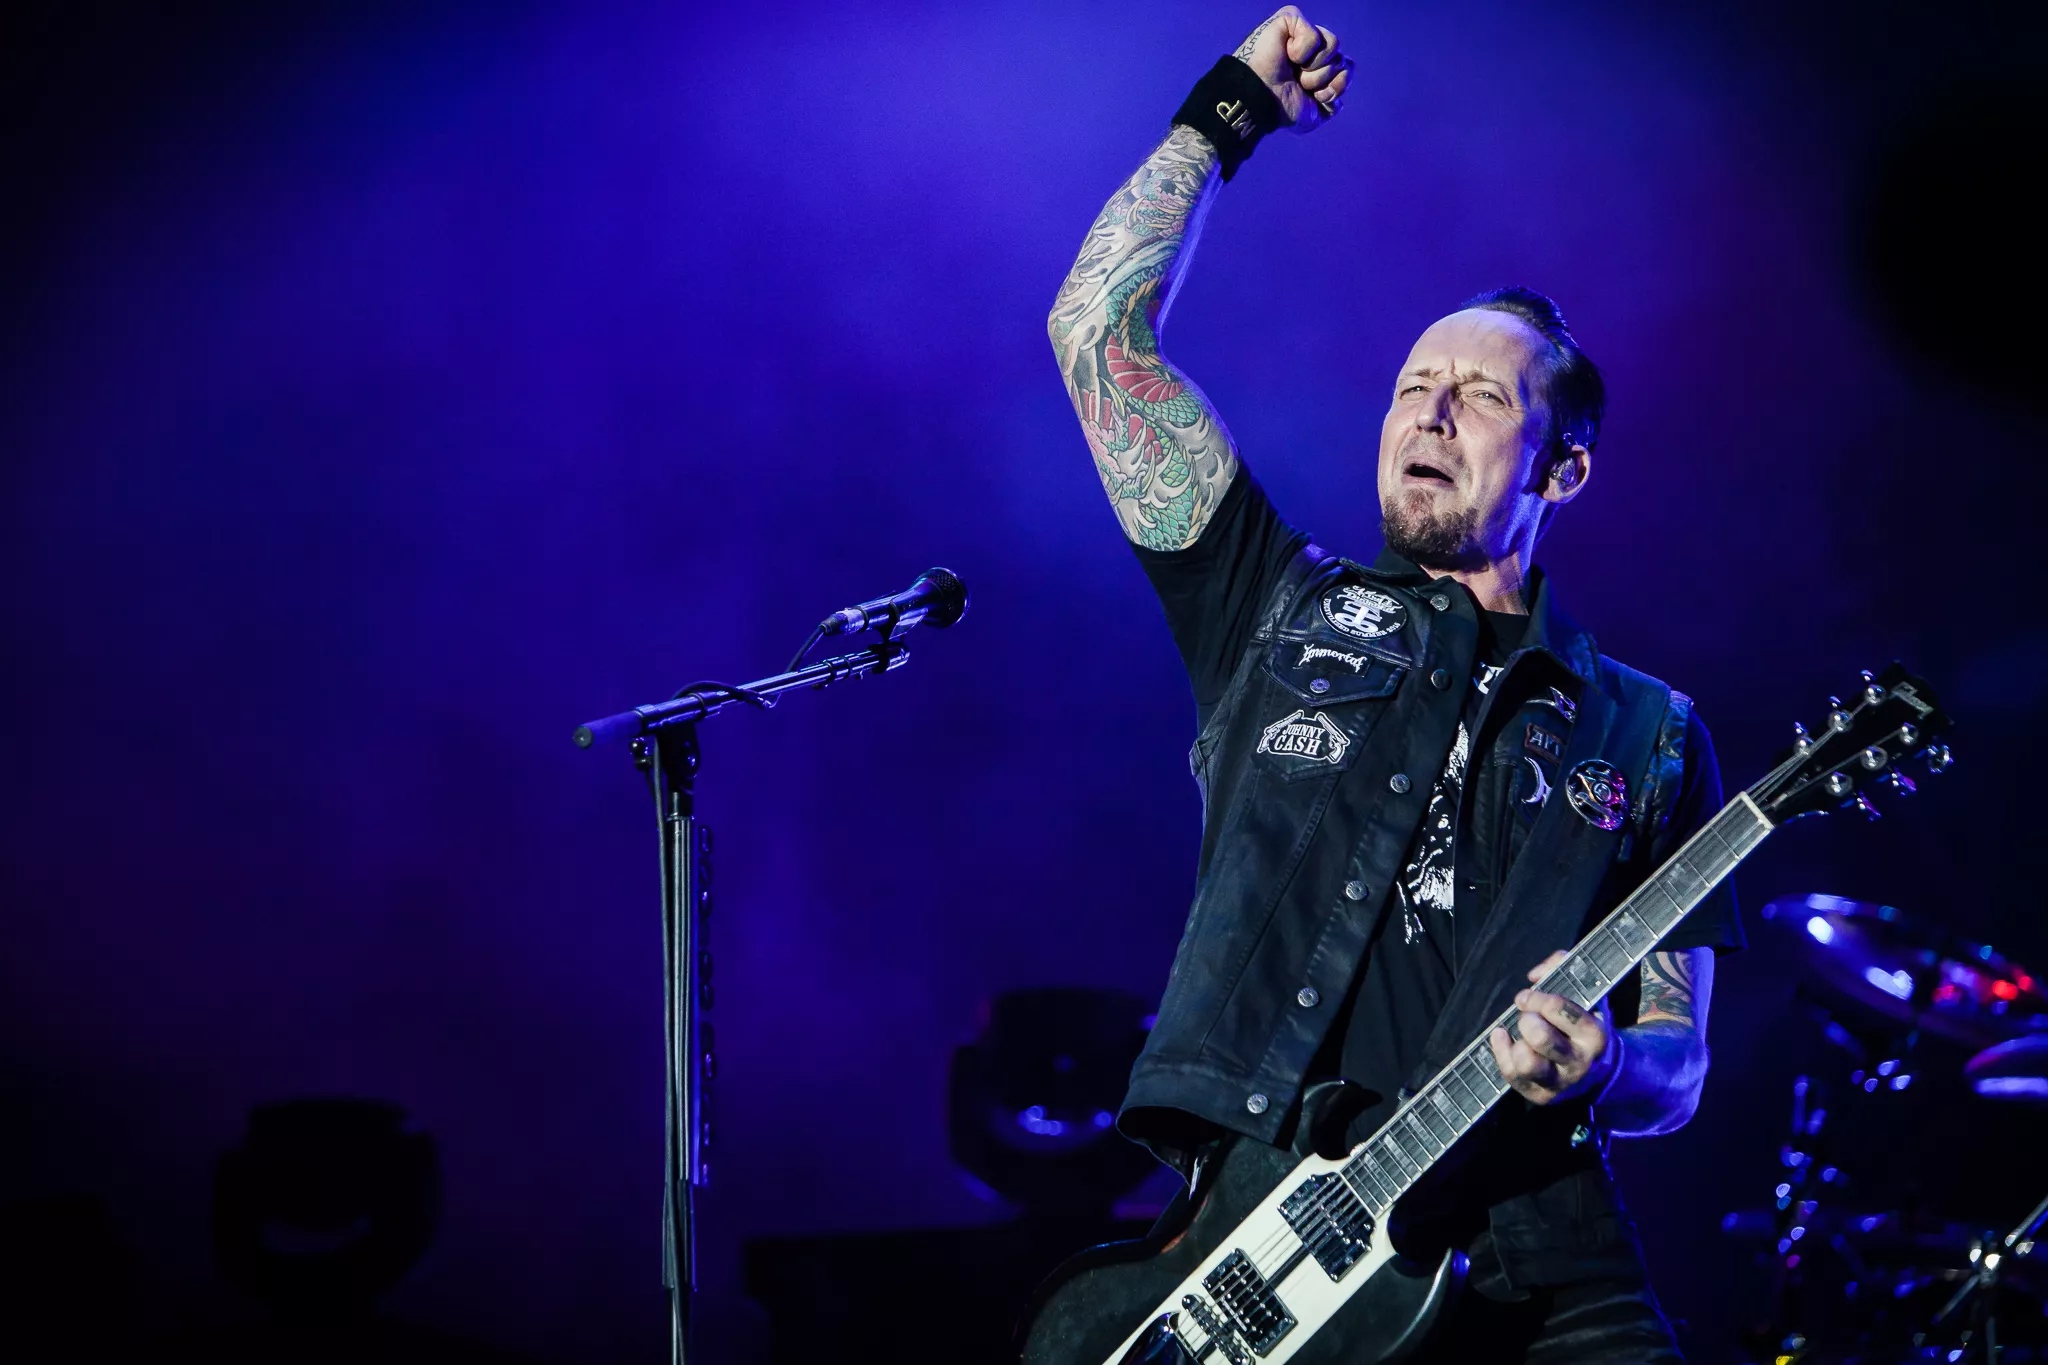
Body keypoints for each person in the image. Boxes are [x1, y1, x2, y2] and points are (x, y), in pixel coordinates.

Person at [1045, 8, 1742, 1360]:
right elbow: (1096, 338)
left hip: (1544, 1253)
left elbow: (1679, 1065)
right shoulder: (1276, 608)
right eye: (1416, 383)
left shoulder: (1649, 736)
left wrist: (1604, 1065)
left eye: (1481, 396)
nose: (1430, 409)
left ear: (1562, 469)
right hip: (1272, 1240)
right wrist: (1229, 113)